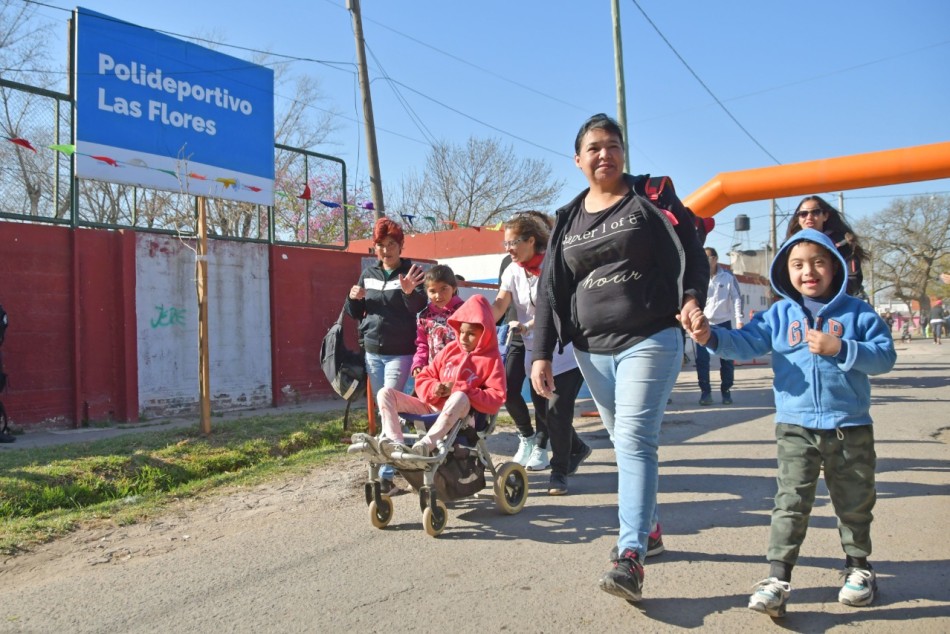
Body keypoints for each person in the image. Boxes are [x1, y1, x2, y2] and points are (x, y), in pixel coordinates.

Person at [531, 113, 708, 603]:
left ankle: (629, 554)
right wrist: (541, 352)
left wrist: (692, 297)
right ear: (578, 159)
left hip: (651, 336)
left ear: (623, 152)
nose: (604, 154)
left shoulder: (650, 196)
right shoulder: (566, 217)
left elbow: (692, 250)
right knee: (621, 439)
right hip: (591, 349)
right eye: (594, 148)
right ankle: (649, 528)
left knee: (633, 439)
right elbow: (549, 290)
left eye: (612, 145)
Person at [680, 228, 896, 618]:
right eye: (797, 264)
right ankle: (778, 577)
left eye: (817, 262)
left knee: (855, 501)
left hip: (851, 425)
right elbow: (745, 343)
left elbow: (884, 357)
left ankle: (859, 568)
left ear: (835, 267)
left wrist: (843, 348)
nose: (808, 271)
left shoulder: (858, 312)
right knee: (791, 502)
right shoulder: (778, 315)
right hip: (796, 426)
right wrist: (710, 336)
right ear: (785, 271)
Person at [491, 211, 590, 496]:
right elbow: (500, 303)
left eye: (512, 243)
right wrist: (481, 315)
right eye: (505, 244)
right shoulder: (511, 270)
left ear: (531, 240)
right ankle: (578, 448)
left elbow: (559, 309)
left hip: (564, 352)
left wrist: (530, 324)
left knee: (556, 412)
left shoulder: (557, 265)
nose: (507, 249)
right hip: (534, 354)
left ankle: (558, 472)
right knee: (545, 412)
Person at [345, 217, 426, 492]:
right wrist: (353, 298)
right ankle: (393, 467)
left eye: (391, 244)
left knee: (390, 408)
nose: (386, 250)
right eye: (380, 245)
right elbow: (356, 314)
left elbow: (421, 309)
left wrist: (408, 293)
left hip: (400, 353)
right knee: (385, 411)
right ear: (374, 248)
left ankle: (387, 475)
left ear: (401, 246)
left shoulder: (413, 272)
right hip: (372, 353)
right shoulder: (369, 274)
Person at [374, 294, 506, 457]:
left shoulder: (491, 359)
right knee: (384, 393)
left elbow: (496, 398)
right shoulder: (451, 349)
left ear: (485, 333)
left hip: (463, 417)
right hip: (431, 407)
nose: (463, 338)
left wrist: (460, 389)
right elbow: (423, 378)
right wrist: (434, 388)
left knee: (459, 396)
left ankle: (426, 445)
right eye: (461, 332)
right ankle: (395, 443)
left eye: (471, 334)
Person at [786, 196, 868, 299]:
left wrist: (829, 299)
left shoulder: (843, 245)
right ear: (798, 218)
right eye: (803, 214)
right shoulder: (788, 248)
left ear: (825, 216)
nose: (809, 217)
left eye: (815, 212)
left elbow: (853, 279)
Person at [696, 247, 743, 405]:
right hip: (704, 323)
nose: (705, 260)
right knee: (702, 360)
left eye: (708, 257)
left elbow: (736, 298)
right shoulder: (699, 276)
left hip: (724, 324)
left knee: (727, 360)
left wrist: (739, 319)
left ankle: (726, 391)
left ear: (715, 259)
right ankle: (705, 393)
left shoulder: (727, 277)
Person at [411, 264, 465, 377]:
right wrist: (418, 364)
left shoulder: (464, 311)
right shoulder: (424, 316)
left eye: (444, 289)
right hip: (433, 374)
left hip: (460, 372)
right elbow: (422, 345)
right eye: (432, 291)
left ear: (454, 288)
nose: (438, 295)